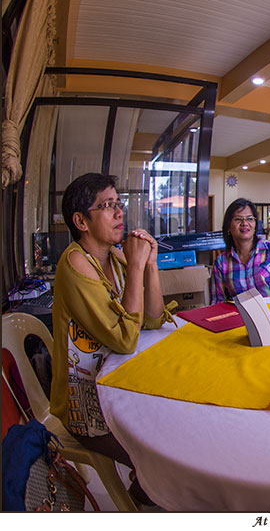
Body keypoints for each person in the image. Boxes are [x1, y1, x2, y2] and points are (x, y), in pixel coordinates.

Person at [51, 173, 174, 507]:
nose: (120, 213)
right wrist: (134, 267)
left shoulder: (114, 257)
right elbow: (124, 339)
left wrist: (149, 266)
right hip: (87, 409)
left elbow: (151, 320)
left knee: (173, 424)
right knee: (162, 457)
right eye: (107, 206)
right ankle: (145, 495)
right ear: (81, 221)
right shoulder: (76, 263)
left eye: (118, 204)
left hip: (120, 387)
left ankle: (147, 488)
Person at [211, 198, 270, 304]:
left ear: (255, 225)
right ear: (228, 227)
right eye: (238, 219)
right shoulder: (221, 263)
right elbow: (217, 301)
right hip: (238, 318)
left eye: (250, 219)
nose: (245, 223)